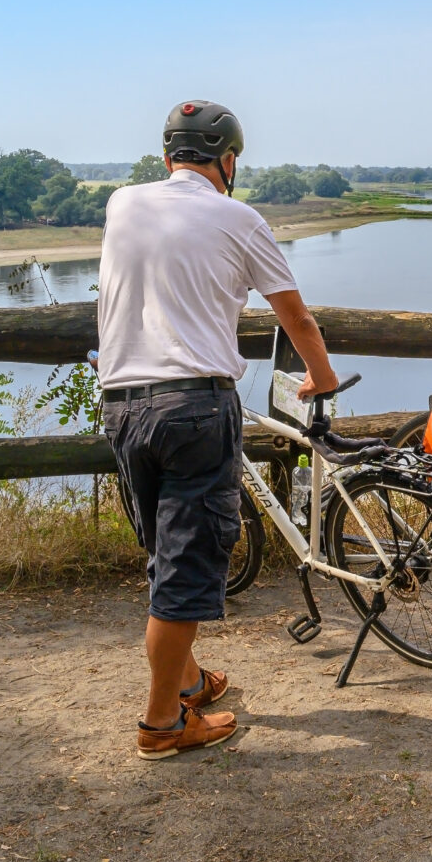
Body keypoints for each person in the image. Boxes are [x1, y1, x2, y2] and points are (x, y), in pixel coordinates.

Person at [98, 100, 339, 759]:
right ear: (228, 160)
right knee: (186, 570)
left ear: (167, 156)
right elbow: (297, 317)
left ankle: (189, 682)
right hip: (194, 407)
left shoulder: (123, 203)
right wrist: (321, 376)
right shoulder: (239, 218)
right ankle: (162, 724)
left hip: (123, 405)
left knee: (164, 554)